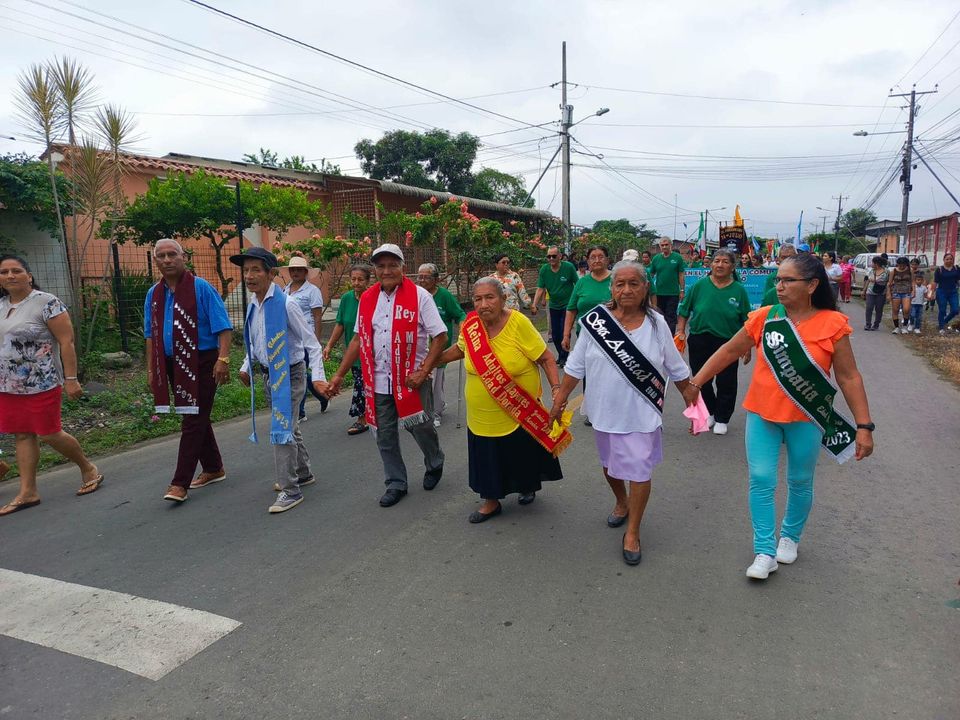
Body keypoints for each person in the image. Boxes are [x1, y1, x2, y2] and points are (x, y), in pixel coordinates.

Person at [688, 252, 874, 580]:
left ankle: (790, 536)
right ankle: (764, 550)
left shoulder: (833, 324)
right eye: (778, 280)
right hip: (762, 414)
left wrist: (864, 426)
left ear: (812, 285)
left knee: (800, 480)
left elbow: (848, 377)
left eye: (788, 280)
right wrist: (696, 383)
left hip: (806, 419)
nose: (780, 286)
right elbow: (730, 350)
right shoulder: (765, 317)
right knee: (761, 479)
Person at [551, 261, 697, 565]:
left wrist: (691, 400)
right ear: (612, 288)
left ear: (645, 288)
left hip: (642, 412)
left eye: (634, 284)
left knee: (640, 469)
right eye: (620, 284)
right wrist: (561, 398)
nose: (627, 290)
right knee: (610, 466)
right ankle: (622, 501)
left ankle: (633, 532)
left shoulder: (657, 324)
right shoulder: (595, 320)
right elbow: (576, 364)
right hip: (604, 409)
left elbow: (675, 365)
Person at [427, 278, 567, 522]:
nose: (484, 304)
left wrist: (556, 389)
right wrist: (432, 361)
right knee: (486, 454)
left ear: (503, 299)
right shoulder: (471, 325)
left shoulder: (518, 322)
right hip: (481, 413)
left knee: (520, 452)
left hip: (518, 407)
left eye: (490, 297)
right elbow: (461, 349)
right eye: (478, 299)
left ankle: (526, 485)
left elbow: (545, 358)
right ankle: (491, 501)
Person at [327, 244, 447, 508]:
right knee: (384, 434)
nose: (387, 271)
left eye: (392, 265)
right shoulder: (368, 299)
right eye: (381, 266)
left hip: (411, 378)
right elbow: (358, 339)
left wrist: (424, 370)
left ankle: (434, 460)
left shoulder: (419, 296)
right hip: (378, 379)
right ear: (375, 270)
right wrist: (338, 375)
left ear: (402, 267)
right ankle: (396, 482)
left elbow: (440, 336)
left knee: (420, 426)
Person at [0, 254, 102, 515]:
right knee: (22, 434)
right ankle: (28, 492)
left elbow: (66, 342)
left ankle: (88, 468)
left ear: (29, 275)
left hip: (42, 381)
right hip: (8, 385)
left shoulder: (47, 303)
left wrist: (71, 378)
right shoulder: (1, 305)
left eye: (16, 271)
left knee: (49, 433)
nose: (10, 276)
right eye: (4, 272)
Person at [233, 247, 327, 514]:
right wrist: (246, 366)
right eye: (246, 270)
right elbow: (255, 342)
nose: (249, 276)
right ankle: (303, 473)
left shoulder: (287, 304)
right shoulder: (253, 305)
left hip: (290, 374)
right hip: (269, 374)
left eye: (256, 270)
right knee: (289, 426)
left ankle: (290, 489)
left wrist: (318, 377)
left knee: (282, 427)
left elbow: (312, 343)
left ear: (271, 273)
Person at [144, 239, 233, 503]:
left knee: (192, 420)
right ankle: (214, 468)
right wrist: (152, 369)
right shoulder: (154, 294)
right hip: (172, 364)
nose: (167, 260)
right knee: (194, 415)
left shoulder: (201, 288)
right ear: (155, 261)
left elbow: (223, 326)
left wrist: (223, 359)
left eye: (172, 254)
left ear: (184, 257)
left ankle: (179, 482)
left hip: (203, 361)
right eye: (161, 256)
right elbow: (150, 334)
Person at [676, 249, 751, 436]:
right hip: (700, 338)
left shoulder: (739, 290)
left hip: (728, 342)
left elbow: (747, 320)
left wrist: (747, 347)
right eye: (717, 261)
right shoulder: (699, 285)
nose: (720, 265)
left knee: (727, 381)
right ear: (711, 264)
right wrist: (680, 331)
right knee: (702, 379)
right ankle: (709, 412)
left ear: (732, 267)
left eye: (725, 262)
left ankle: (722, 418)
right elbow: (684, 310)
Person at [563, 245, 613, 427]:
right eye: (593, 257)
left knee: (612, 373)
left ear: (607, 260)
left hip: (613, 338)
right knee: (589, 373)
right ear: (588, 260)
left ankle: (611, 409)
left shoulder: (616, 280)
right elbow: (571, 309)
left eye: (601, 256)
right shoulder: (582, 283)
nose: (597, 260)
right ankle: (591, 409)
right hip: (587, 338)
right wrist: (566, 334)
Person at [324, 264, 372, 435]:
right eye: (353, 279)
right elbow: (340, 324)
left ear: (368, 281)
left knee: (363, 385)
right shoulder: (346, 299)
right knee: (361, 384)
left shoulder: (373, 298)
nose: (356, 283)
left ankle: (363, 419)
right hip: (353, 353)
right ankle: (368, 415)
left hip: (371, 353)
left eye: (360, 279)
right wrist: (329, 345)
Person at [417, 263, 466, 427]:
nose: (422, 280)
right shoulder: (415, 295)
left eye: (426, 277)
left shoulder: (444, 296)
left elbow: (459, 314)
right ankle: (425, 409)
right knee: (422, 381)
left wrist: (463, 327)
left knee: (436, 382)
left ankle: (436, 412)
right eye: (420, 277)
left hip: (438, 348)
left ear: (436, 279)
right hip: (419, 348)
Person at [283, 255, 328, 421]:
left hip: (306, 339)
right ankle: (322, 395)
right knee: (296, 373)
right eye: (292, 270)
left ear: (305, 272)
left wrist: (316, 340)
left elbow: (317, 316)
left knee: (299, 374)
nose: (295, 273)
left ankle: (300, 412)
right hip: (289, 340)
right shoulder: (285, 290)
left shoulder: (312, 291)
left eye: (299, 270)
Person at [531, 246, 578, 366]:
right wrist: (534, 304)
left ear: (560, 256)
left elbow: (577, 284)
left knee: (564, 332)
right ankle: (562, 355)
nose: (551, 258)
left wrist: (578, 300)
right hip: (554, 305)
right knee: (555, 335)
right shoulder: (544, 270)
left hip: (568, 305)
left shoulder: (569, 267)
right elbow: (540, 288)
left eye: (554, 256)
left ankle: (564, 357)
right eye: (548, 256)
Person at [649, 237, 686, 333]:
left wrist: (682, 290)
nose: (664, 247)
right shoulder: (656, 259)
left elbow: (681, 275)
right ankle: (660, 337)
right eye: (662, 245)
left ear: (671, 245)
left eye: (666, 245)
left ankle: (670, 338)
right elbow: (651, 275)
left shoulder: (677, 258)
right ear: (660, 246)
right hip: (658, 293)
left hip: (673, 293)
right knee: (659, 317)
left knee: (671, 317)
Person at [931, 252, 959, 334]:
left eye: (951, 259)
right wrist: (932, 293)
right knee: (942, 310)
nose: (949, 260)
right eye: (947, 259)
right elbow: (935, 282)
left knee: (955, 310)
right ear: (944, 260)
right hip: (941, 292)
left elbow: (958, 280)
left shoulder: (956, 268)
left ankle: (945, 321)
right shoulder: (939, 269)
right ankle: (941, 327)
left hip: (953, 291)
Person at [888, 256, 914, 334]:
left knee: (906, 309)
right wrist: (889, 294)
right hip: (896, 292)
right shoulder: (893, 271)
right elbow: (889, 283)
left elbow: (913, 282)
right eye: (900, 265)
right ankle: (896, 327)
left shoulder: (910, 271)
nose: (902, 267)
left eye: (903, 265)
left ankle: (904, 326)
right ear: (897, 264)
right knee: (895, 310)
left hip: (906, 292)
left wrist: (914, 291)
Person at [862, 256, 889, 331]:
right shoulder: (871, 271)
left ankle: (876, 324)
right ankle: (868, 324)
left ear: (876, 263)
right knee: (869, 308)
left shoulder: (886, 271)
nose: (871, 264)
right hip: (870, 292)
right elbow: (868, 280)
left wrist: (888, 293)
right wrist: (864, 290)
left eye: (872, 262)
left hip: (881, 292)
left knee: (879, 309)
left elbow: (888, 282)